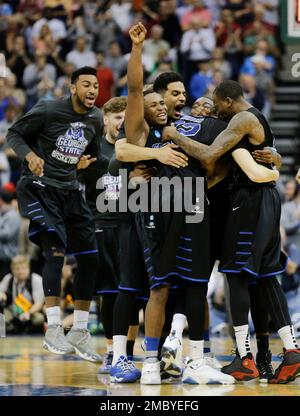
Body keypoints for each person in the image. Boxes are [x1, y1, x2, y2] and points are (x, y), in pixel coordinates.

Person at [164, 80, 300, 383]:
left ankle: (246, 358)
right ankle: (289, 353)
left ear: (226, 102)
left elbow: (210, 154)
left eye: (213, 105)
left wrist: (174, 136)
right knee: (265, 277)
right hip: (265, 200)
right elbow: (266, 154)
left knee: (236, 274)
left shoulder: (240, 120)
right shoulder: (252, 121)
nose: (208, 111)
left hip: (248, 202)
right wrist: (276, 163)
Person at [124, 22, 235, 386]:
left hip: (194, 208)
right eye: (164, 98)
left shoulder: (188, 126)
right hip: (158, 208)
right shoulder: (144, 130)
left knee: (196, 285)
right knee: (161, 287)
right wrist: (137, 49)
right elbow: (135, 89)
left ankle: (197, 359)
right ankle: (152, 360)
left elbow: (216, 159)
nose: (169, 103)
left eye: (173, 97)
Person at [7, 66, 103, 362]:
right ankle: (54, 328)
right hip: (41, 187)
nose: (92, 91)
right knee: (55, 252)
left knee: (90, 257)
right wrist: (31, 156)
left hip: (71, 190)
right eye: (86, 84)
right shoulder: (48, 109)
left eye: (96, 86)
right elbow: (14, 134)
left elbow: (94, 155)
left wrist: (88, 165)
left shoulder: (96, 118)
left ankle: (80, 330)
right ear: (73, 87)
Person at [0, 255, 44, 334]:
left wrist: (28, 313)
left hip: (30, 312)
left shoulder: (36, 280)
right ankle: (3, 335)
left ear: (29, 269)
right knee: (1, 318)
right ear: (12, 270)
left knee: (39, 319)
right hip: (12, 312)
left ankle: (25, 330)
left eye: (23, 268)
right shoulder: (8, 278)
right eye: (17, 269)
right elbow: (1, 291)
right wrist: (2, 294)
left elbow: (39, 304)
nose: (20, 272)